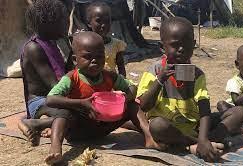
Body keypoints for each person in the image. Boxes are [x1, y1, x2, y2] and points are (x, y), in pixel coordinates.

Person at [136, 17, 243, 161]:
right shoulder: (155, 70)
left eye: (187, 45)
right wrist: (160, 79)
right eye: (175, 45)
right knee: (157, 126)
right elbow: (144, 106)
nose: (181, 49)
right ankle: (197, 143)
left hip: (194, 125)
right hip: (169, 128)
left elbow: (204, 109)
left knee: (239, 112)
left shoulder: (197, 74)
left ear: (193, 45)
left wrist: (202, 137)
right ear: (162, 47)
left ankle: (200, 143)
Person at [45, 31, 159, 164]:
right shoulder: (71, 78)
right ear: (75, 60)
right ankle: (55, 148)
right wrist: (81, 103)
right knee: (62, 113)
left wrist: (124, 98)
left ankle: (149, 137)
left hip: (103, 126)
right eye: (88, 57)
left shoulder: (109, 76)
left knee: (133, 105)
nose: (94, 61)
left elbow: (132, 88)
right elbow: (51, 99)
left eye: (99, 56)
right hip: (78, 130)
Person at [18, 0, 73, 147]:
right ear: (49, 23)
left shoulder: (53, 43)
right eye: (62, 21)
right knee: (77, 113)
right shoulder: (33, 48)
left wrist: (75, 52)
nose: (66, 24)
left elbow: (67, 73)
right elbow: (54, 86)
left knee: (81, 109)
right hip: (41, 101)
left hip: (54, 98)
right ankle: (33, 123)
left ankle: (45, 122)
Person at [86, 1, 127, 77]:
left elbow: (121, 68)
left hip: (110, 83)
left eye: (107, 21)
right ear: (89, 23)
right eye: (98, 21)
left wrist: (122, 83)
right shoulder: (85, 45)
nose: (104, 25)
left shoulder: (116, 45)